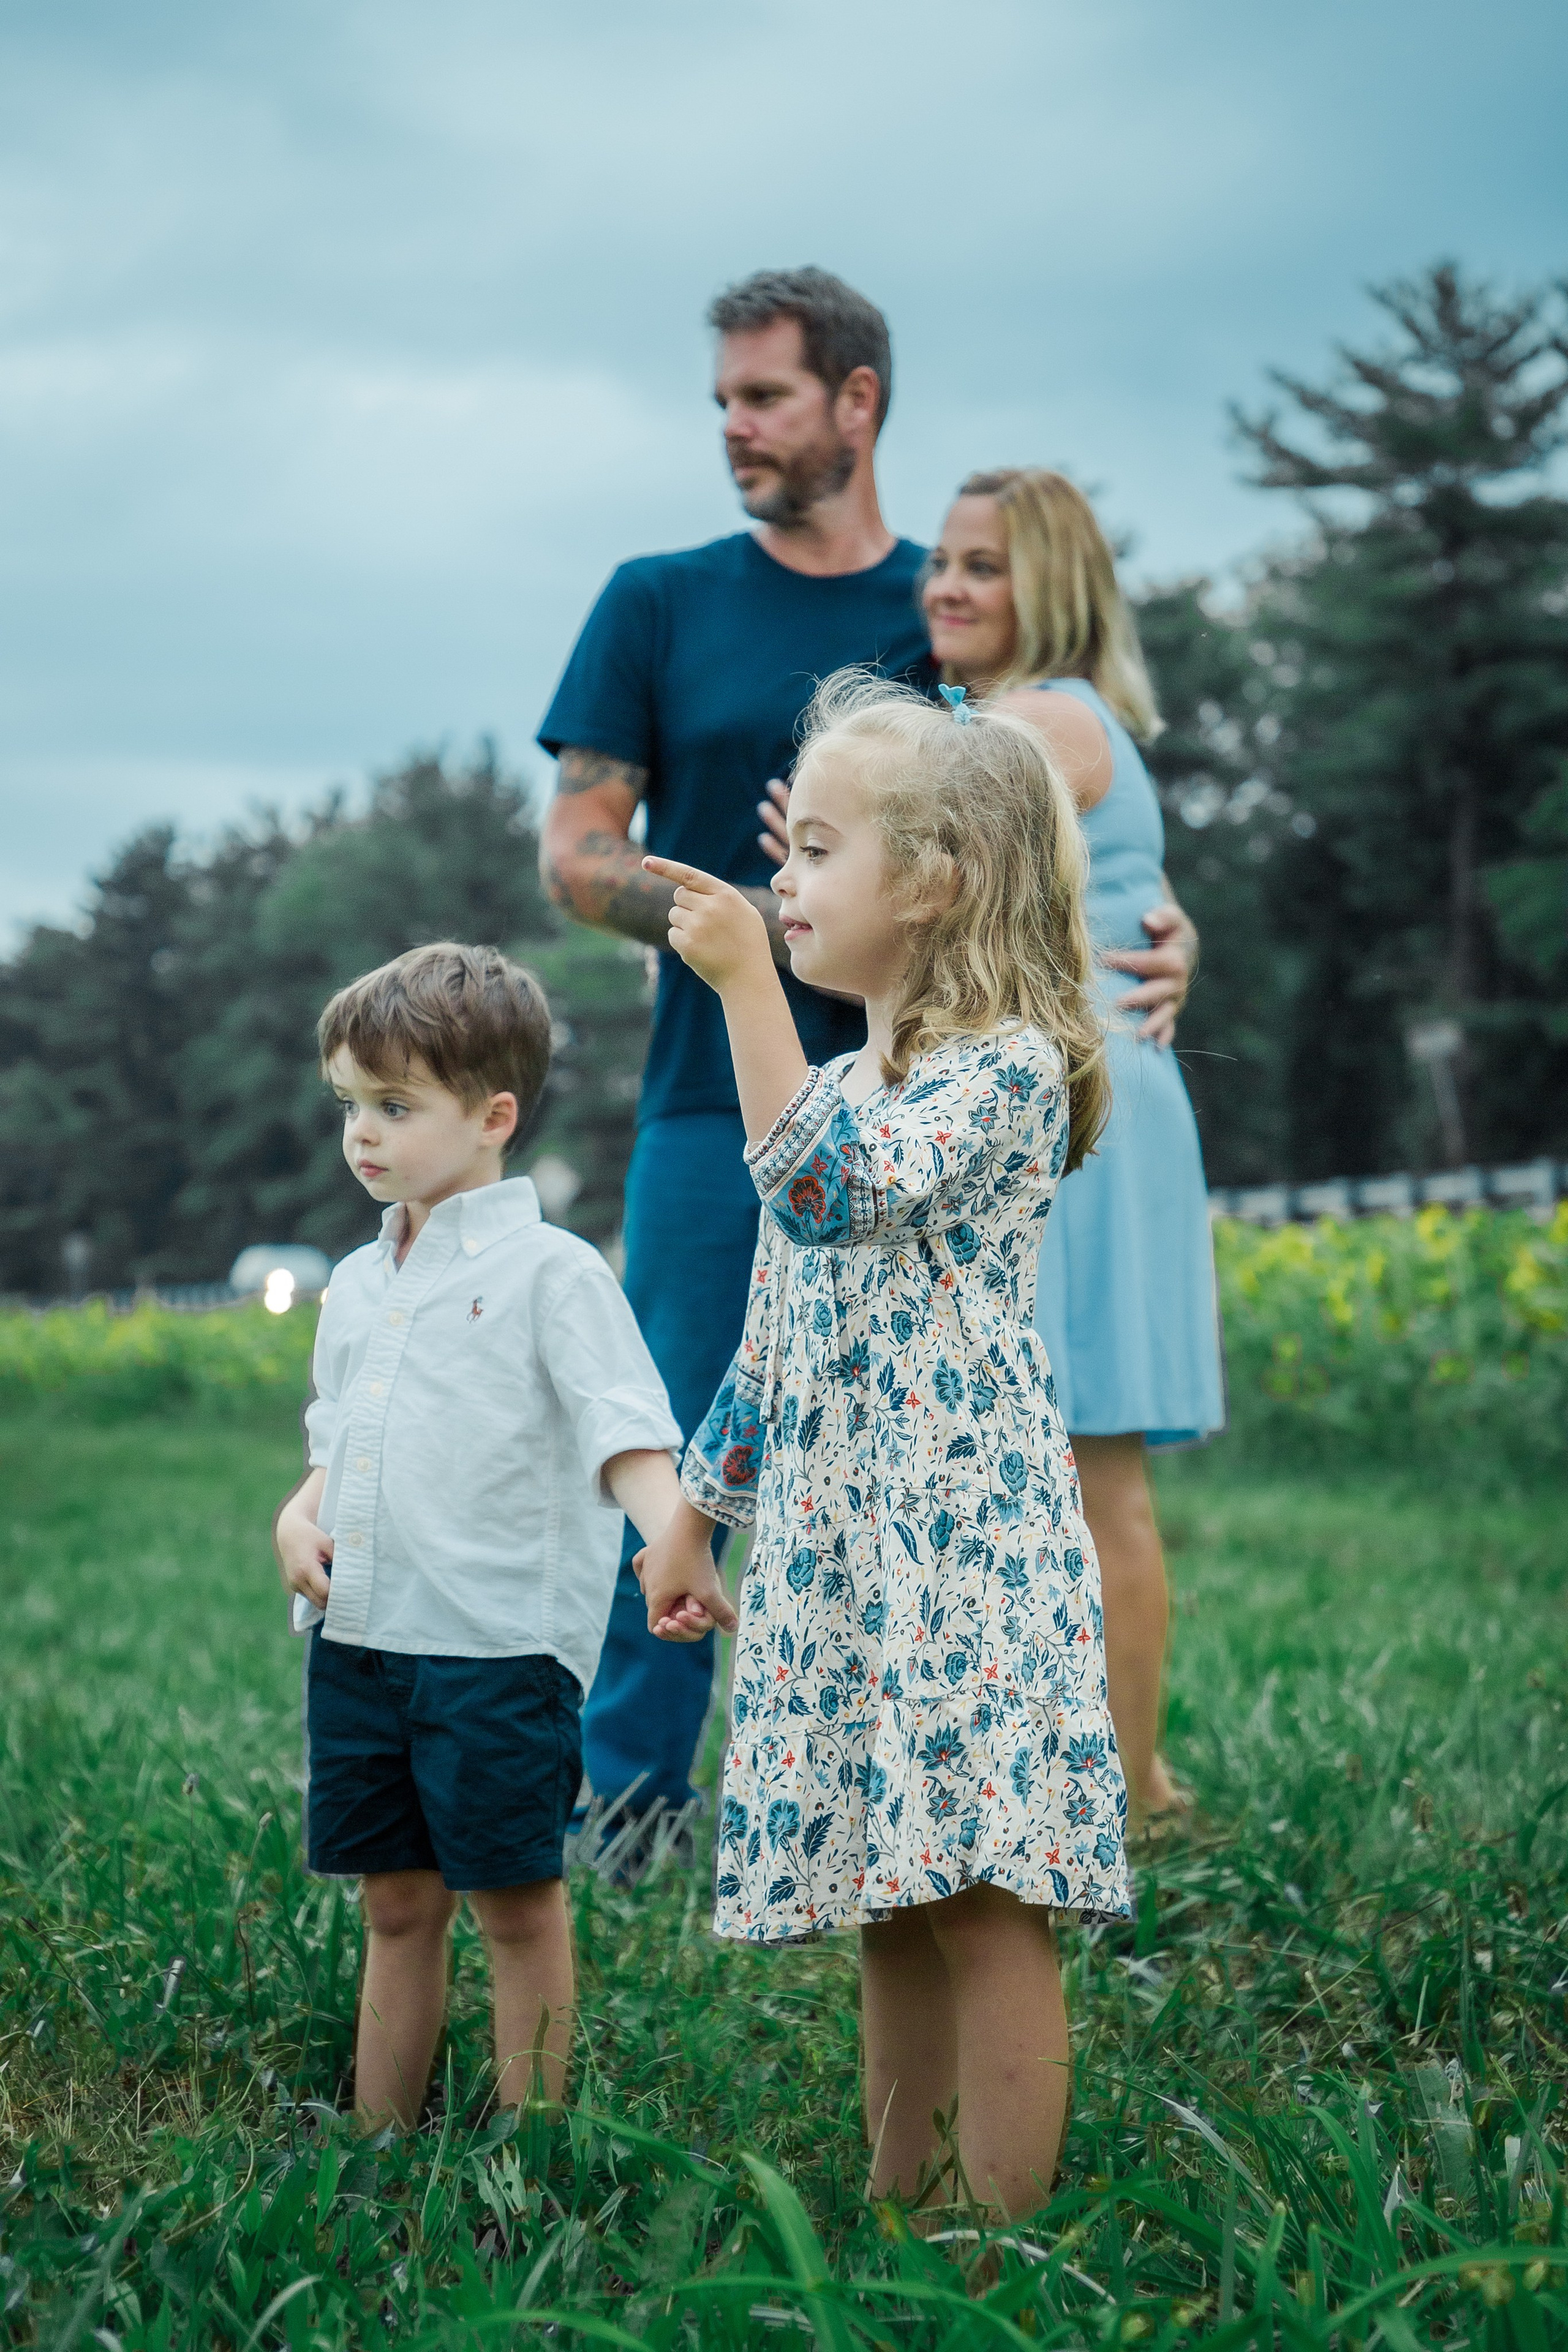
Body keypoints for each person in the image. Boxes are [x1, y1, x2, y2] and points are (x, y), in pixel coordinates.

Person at [631, 672, 1130, 2218]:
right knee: (888, 1905)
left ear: (933, 882)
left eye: (820, 849)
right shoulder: (843, 1081)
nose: (782, 876)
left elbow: (825, 1194)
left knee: (983, 1900)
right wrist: (694, 1513)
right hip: (849, 1558)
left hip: (966, 1558)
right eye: (789, 851)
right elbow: (771, 1343)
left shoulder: (1005, 1074)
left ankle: (1003, 2247)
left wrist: (738, 992)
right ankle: (900, 2207)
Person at [537, 269, 931, 1846]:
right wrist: (731, 913)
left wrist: (1149, 918)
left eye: (762, 396)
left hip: (922, 1090)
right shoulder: (656, 597)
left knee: (911, 1445)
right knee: (676, 1440)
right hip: (710, 1099)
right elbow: (576, 848)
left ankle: (895, 1800)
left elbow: (1050, 812)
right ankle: (629, 1801)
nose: (732, 428)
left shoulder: (945, 608)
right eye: (720, 401)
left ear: (856, 401)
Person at [271, 943, 685, 2131]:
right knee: (395, 1903)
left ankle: (532, 2147)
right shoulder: (354, 1282)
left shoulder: (550, 1273)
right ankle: (377, 2140)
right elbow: (332, 1444)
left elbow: (624, 1427)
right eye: (351, 1104)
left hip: (494, 1652)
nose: (363, 1134)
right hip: (359, 1642)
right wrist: (296, 1519)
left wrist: (665, 1541)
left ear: (494, 1116)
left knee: (515, 1905)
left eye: (394, 1107)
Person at [922, 469, 1225, 1819]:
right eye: (941, 561)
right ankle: (1111, 1777)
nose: (945, 586)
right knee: (1069, 1467)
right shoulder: (1038, 721)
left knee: (1084, 1469)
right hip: (1078, 1099)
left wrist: (797, 869)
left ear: (1046, 590)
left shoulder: (1037, 721)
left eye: (981, 566)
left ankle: (1119, 1794)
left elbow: (920, 876)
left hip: (1070, 1121)